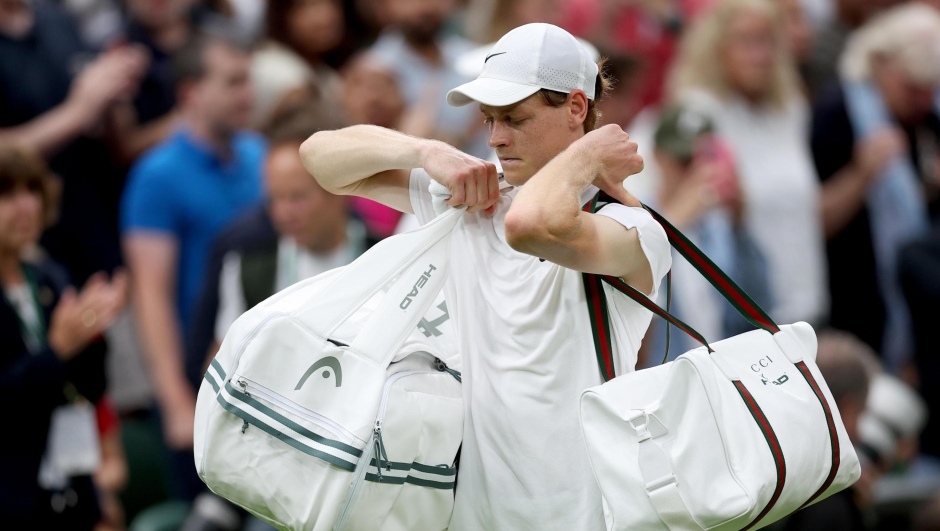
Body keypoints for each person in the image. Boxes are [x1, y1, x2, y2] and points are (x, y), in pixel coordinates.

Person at [301, 23, 671, 530]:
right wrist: (425, 151)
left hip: (585, 516)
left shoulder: (631, 225)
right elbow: (320, 159)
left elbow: (531, 227)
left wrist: (584, 157)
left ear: (576, 109)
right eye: (488, 119)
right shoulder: (477, 192)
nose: (496, 139)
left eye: (514, 119)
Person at [120, 32, 264, 499]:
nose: (249, 95)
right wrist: (177, 401)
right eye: (233, 83)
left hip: (266, 376)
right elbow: (150, 295)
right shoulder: (156, 176)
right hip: (199, 384)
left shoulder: (260, 157)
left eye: (249, 81)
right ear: (191, 93)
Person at [667, 0, 827, 327]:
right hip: (741, 311)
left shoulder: (790, 109)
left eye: (768, 40)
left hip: (807, 303)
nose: (760, 54)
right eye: (746, 41)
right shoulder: (697, 113)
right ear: (716, 46)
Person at [0, 145, 127, 529]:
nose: (26, 206)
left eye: (31, 191)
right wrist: (56, 350)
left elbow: (86, 391)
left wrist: (92, 333)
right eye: (7, 194)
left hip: (67, 494)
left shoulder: (50, 279)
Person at [810, 3, 940, 367]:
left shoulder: (925, 118)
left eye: (930, 89)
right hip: (854, 294)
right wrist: (862, 173)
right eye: (912, 88)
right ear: (880, 64)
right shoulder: (838, 111)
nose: (923, 100)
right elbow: (815, 218)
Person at [0, 0, 148, 285]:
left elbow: (113, 138)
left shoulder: (56, 20)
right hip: (28, 239)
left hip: (95, 225)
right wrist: (78, 111)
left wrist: (115, 82)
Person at [646, 106, 772, 361]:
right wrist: (674, 222)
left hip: (719, 374)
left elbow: (760, 307)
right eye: (684, 162)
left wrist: (739, 224)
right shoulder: (633, 217)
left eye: (704, 161)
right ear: (658, 157)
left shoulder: (717, 227)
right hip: (663, 380)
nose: (697, 173)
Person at [368, 0, 484, 156]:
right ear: (385, 6)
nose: (426, 6)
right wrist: (468, 132)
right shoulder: (372, 72)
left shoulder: (473, 55)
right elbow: (390, 151)